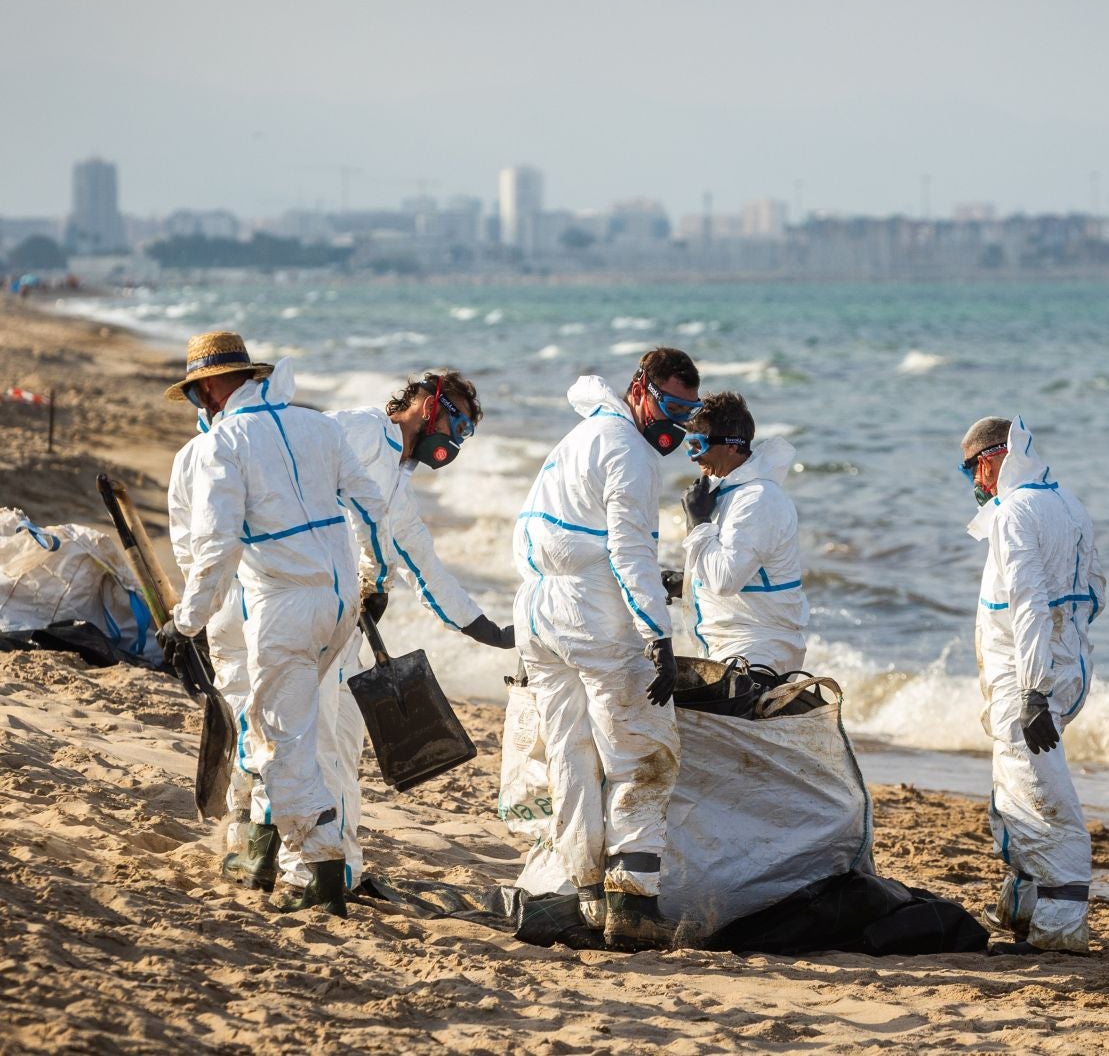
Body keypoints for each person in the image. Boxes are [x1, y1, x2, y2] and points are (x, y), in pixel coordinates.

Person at [262, 369, 516, 902]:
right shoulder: (354, 429)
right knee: (310, 739)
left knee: (344, 740)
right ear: (428, 404)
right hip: (301, 603)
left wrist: (489, 630)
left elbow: (420, 557)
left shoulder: (400, 479)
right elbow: (286, 464)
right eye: (458, 423)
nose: (458, 439)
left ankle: (342, 866)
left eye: (467, 432)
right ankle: (302, 868)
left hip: (346, 623)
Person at [162, 330, 391, 918]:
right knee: (281, 726)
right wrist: (376, 578)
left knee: (279, 740)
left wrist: (186, 622)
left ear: (211, 387)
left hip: (283, 606)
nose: (200, 406)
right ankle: (263, 852)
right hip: (340, 604)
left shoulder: (222, 445)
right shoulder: (319, 426)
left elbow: (214, 550)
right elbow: (369, 504)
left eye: (197, 395)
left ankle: (323, 875)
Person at [511, 347, 699, 949]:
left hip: (538, 609)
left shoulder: (580, 436)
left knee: (570, 753)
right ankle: (633, 909)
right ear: (640, 390)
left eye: (688, 414)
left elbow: (527, 528)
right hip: (593, 613)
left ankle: (576, 893)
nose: (676, 422)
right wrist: (657, 634)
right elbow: (629, 552)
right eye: (670, 406)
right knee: (642, 751)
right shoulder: (630, 451)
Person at [960, 414, 1106, 954]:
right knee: (1013, 792)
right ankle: (1020, 908)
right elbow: (1096, 589)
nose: (974, 484)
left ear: (990, 459)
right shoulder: (1066, 503)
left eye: (970, 469)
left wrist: (1033, 689)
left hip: (1029, 674)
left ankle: (1059, 931)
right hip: (1063, 663)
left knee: (1043, 799)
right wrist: (1064, 659)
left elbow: (1028, 603)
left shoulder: (1016, 512)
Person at [674, 392, 809, 668]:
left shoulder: (758, 499)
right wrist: (685, 583)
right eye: (687, 446)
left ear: (733, 447)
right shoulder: (728, 493)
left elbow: (725, 579)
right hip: (733, 647)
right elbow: (744, 573)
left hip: (758, 652)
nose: (692, 457)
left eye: (698, 446)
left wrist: (697, 521)